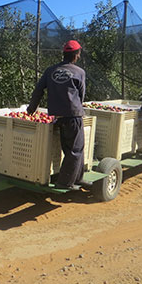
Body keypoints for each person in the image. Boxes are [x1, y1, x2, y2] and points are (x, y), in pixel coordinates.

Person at [27, 40, 86, 189]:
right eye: (78, 54)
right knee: (76, 150)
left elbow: (38, 90)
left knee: (69, 148)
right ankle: (65, 183)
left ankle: (77, 178)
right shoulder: (79, 72)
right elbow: (81, 95)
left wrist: (31, 109)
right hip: (73, 115)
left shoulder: (50, 70)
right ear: (76, 55)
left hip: (57, 116)